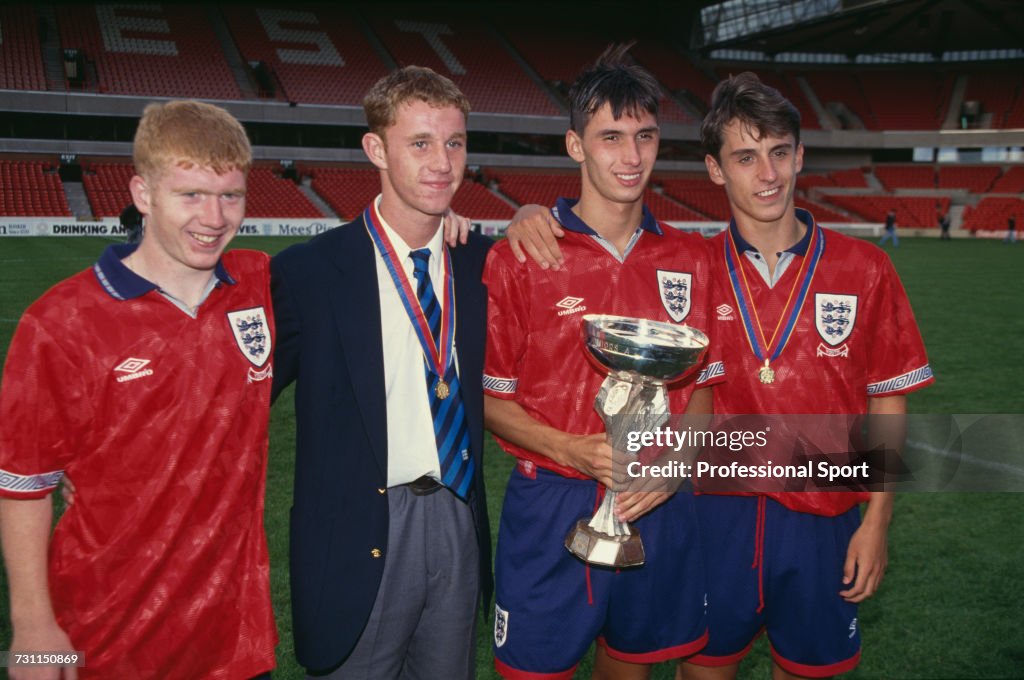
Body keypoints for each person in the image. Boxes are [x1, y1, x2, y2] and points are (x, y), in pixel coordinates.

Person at [504, 71, 934, 680]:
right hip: (714, 519)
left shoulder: (865, 267)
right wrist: (531, 215)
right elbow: (602, 264)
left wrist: (878, 521)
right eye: (746, 156)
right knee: (702, 670)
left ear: (800, 156)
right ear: (715, 170)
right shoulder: (688, 265)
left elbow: (888, 401)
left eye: (780, 152)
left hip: (824, 517)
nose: (768, 174)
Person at [0, 100, 278, 678]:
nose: (215, 216)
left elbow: (374, 253)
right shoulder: (61, 322)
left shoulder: (258, 285)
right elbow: (23, 485)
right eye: (191, 194)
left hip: (236, 639)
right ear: (143, 194)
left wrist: (475, 217)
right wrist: (31, 631)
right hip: (108, 637)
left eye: (231, 195)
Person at [483, 46, 723, 680]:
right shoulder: (524, 256)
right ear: (575, 145)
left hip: (656, 502)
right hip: (553, 502)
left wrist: (676, 461)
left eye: (644, 136)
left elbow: (704, 390)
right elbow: (491, 399)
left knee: (631, 666)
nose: (631, 155)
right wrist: (568, 449)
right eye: (610, 136)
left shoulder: (692, 259)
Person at [270, 66, 492, 678]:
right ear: (376, 149)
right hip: (359, 531)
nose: (442, 162)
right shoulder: (310, 272)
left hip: (456, 517)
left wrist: (525, 211)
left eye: (454, 142)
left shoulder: (481, 263)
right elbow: (241, 398)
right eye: (419, 143)